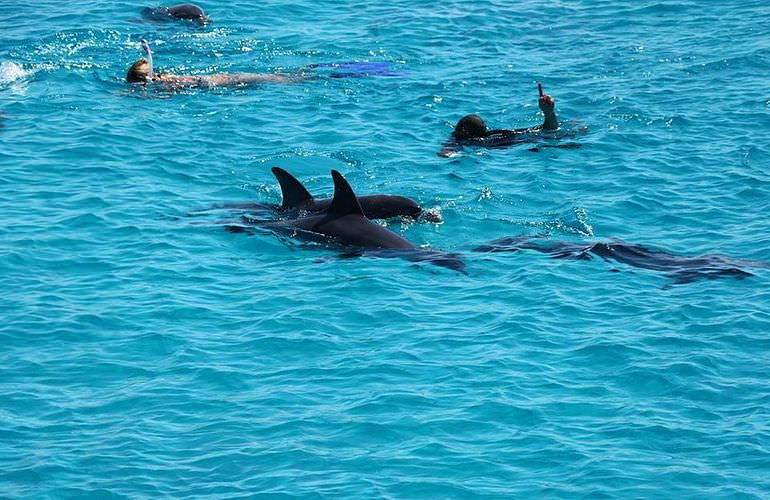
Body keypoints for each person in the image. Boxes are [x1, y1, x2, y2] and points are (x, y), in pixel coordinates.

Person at [439, 83, 570, 157]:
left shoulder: (467, 141)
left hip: (518, 145)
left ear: (462, 131)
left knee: (543, 136)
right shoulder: (497, 133)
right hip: (522, 140)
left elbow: (446, 153)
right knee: (542, 132)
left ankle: (550, 116)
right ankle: (549, 115)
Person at [126, 58, 309, 88]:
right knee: (272, 78)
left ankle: (308, 77)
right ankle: (304, 74)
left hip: (223, 83)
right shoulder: (167, 79)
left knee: (276, 80)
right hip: (222, 78)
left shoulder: (168, 83)